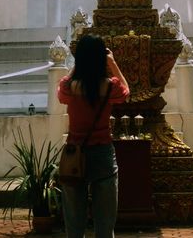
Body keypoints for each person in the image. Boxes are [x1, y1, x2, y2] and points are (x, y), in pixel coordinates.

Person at [57, 34, 130, 238]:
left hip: (74, 154)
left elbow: (62, 88)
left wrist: (77, 64)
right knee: (105, 224)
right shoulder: (109, 86)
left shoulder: (70, 87)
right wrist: (113, 63)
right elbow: (126, 92)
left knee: (74, 222)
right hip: (102, 153)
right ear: (101, 58)